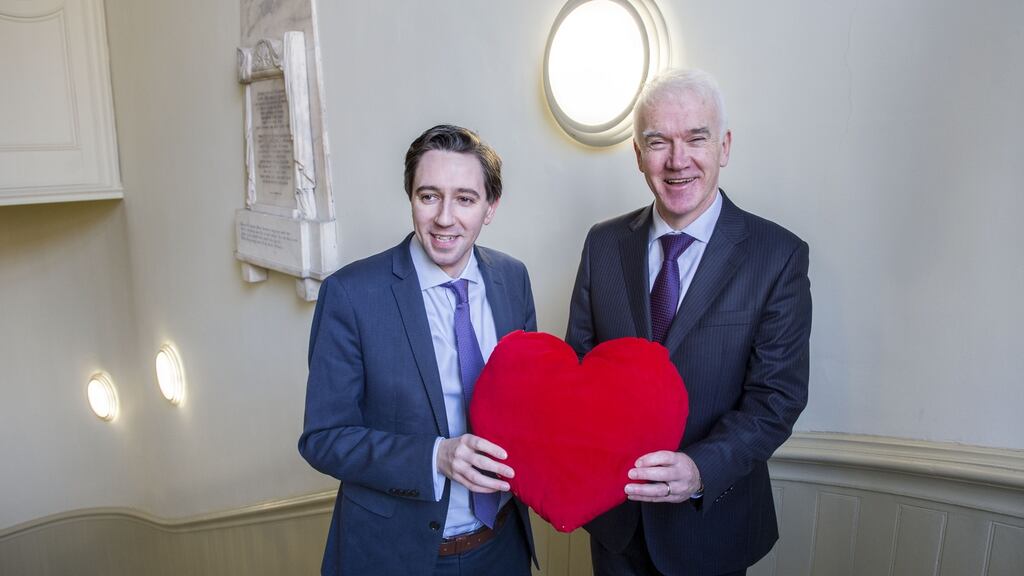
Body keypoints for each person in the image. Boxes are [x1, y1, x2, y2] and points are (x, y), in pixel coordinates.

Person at [566, 68, 812, 576]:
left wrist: (701, 469)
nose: (678, 161)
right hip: (615, 527)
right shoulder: (602, 245)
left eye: (695, 139)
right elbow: (578, 373)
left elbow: (777, 398)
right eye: (658, 142)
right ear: (637, 154)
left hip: (713, 528)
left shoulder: (777, 256)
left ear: (723, 146)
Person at [299, 124, 537, 576]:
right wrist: (436, 457)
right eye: (429, 196)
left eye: (465, 199)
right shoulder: (351, 295)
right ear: (411, 197)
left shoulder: (513, 279)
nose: (445, 218)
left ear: (490, 208)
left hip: (503, 546)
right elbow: (323, 438)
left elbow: (528, 407)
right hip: (396, 557)